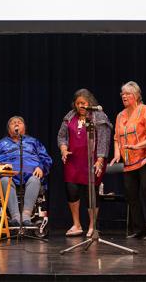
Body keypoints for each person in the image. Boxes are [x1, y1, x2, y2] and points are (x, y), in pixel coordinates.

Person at [110, 81, 146, 240]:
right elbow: (116, 138)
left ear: (136, 96)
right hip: (129, 161)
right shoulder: (120, 115)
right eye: (122, 94)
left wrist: (138, 145)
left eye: (127, 94)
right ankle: (139, 229)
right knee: (131, 194)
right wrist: (117, 153)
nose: (124, 97)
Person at [57, 88, 112, 238]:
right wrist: (63, 149)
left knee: (90, 193)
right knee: (71, 191)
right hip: (73, 161)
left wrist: (100, 159)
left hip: (93, 161)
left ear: (90, 103)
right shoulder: (70, 116)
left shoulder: (99, 116)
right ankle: (76, 224)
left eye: (83, 103)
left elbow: (104, 140)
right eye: (77, 103)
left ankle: (92, 226)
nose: (80, 106)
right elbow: (62, 137)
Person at [0, 116, 53, 227]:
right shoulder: (1, 143)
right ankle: (15, 217)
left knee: (35, 180)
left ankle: (26, 216)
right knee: (4, 181)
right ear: (9, 130)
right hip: (8, 176)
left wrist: (41, 167)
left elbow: (46, 159)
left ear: (25, 128)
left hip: (31, 176)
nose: (17, 123)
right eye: (13, 123)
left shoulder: (33, 142)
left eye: (20, 122)